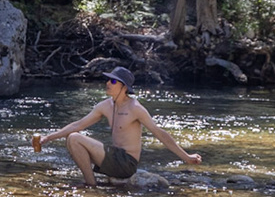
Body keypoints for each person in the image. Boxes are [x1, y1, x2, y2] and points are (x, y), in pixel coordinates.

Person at [32, 66, 202, 185]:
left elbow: (160, 133)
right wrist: (48, 138)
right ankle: (91, 183)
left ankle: (91, 186)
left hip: (126, 163)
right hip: (113, 158)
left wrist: (186, 157)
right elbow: (78, 124)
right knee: (72, 138)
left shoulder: (135, 108)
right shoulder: (106, 105)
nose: (108, 83)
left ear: (124, 87)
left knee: (75, 139)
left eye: (113, 81)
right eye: (109, 80)